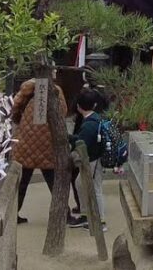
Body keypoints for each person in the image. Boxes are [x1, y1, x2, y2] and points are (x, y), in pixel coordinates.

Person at [12, 75, 84, 224]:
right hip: (47, 142)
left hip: (26, 140)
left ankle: (13, 214)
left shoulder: (26, 90)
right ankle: (64, 214)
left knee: (22, 182)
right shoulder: (55, 91)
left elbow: (14, 108)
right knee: (54, 182)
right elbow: (63, 111)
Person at [70, 89, 107, 232]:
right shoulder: (96, 119)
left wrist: (70, 138)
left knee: (94, 188)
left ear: (79, 106)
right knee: (81, 184)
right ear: (95, 104)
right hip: (97, 158)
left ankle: (100, 220)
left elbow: (82, 143)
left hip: (92, 159)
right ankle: (87, 214)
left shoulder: (88, 124)